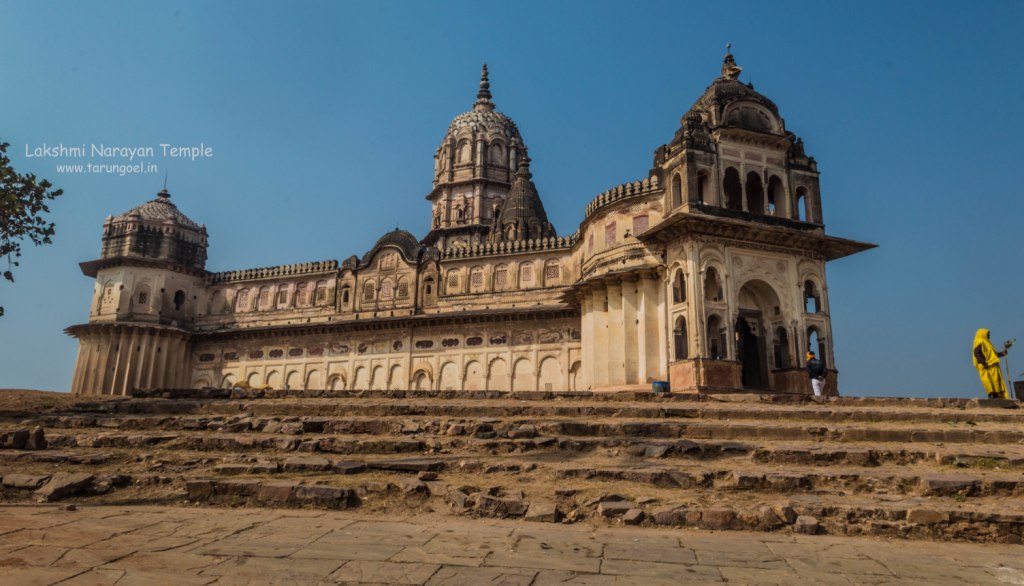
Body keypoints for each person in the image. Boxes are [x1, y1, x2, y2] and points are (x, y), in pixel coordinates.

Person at [972, 328, 1009, 399]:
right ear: (983, 334)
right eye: (987, 334)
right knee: (987, 380)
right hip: (984, 365)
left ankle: (997, 395)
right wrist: (984, 363)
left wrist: (1002, 353)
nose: (989, 335)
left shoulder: (988, 343)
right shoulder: (979, 341)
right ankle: (991, 394)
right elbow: (977, 353)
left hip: (992, 364)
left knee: (995, 380)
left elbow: (993, 355)